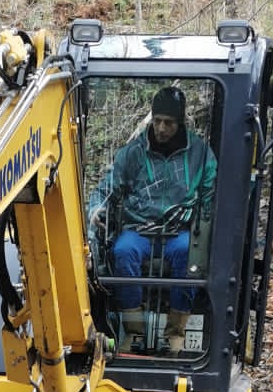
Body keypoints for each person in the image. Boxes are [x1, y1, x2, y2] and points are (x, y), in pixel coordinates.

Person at [90, 85, 216, 353]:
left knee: (188, 255)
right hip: (139, 228)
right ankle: (133, 332)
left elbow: (210, 193)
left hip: (179, 230)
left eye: (168, 123)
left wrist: (203, 230)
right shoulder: (134, 152)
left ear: (180, 122)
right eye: (157, 121)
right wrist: (96, 209)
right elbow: (108, 186)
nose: (161, 128)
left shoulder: (200, 154)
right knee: (123, 251)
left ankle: (175, 333)